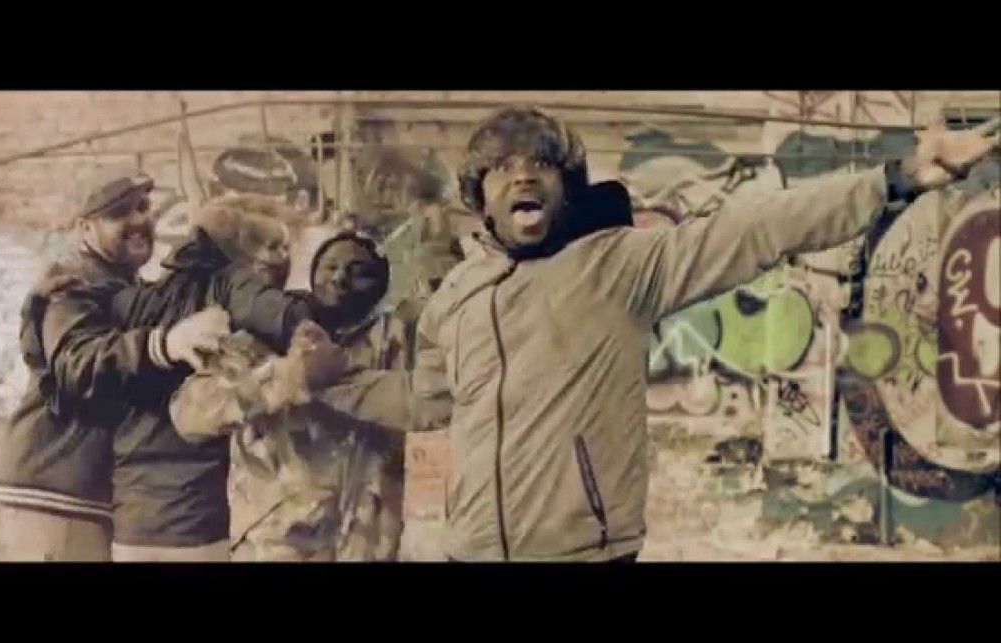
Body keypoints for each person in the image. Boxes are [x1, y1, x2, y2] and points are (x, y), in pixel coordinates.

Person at [293, 107, 997, 562]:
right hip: (471, 550)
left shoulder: (618, 266)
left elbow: (758, 227)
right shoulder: (458, 295)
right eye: (503, 169)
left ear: (566, 189)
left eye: (541, 165)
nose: (523, 177)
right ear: (479, 198)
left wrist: (896, 178)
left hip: (586, 553)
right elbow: (426, 402)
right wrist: (334, 383)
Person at [41, 194, 328, 562]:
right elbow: (296, 322)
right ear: (254, 255)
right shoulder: (228, 303)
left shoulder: (130, 302)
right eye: (276, 249)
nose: (280, 261)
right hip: (194, 519)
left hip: (133, 517)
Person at [0, 172, 223, 561]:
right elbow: (77, 363)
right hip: (56, 485)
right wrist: (164, 344)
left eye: (142, 208)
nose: (138, 220)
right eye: (119, 214)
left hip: (83, 487)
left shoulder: (124, 286)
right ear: (85, 228)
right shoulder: (71, 285)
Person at [169, 230, 412, 561]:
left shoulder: (395, 342)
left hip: (367, 546)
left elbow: (425, 406)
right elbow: (189, 416)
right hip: (276, 545)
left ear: (381, 286)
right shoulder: (261, 334)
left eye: (359, 271)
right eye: (330, 266)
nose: (340, 278)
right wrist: (289, 377)